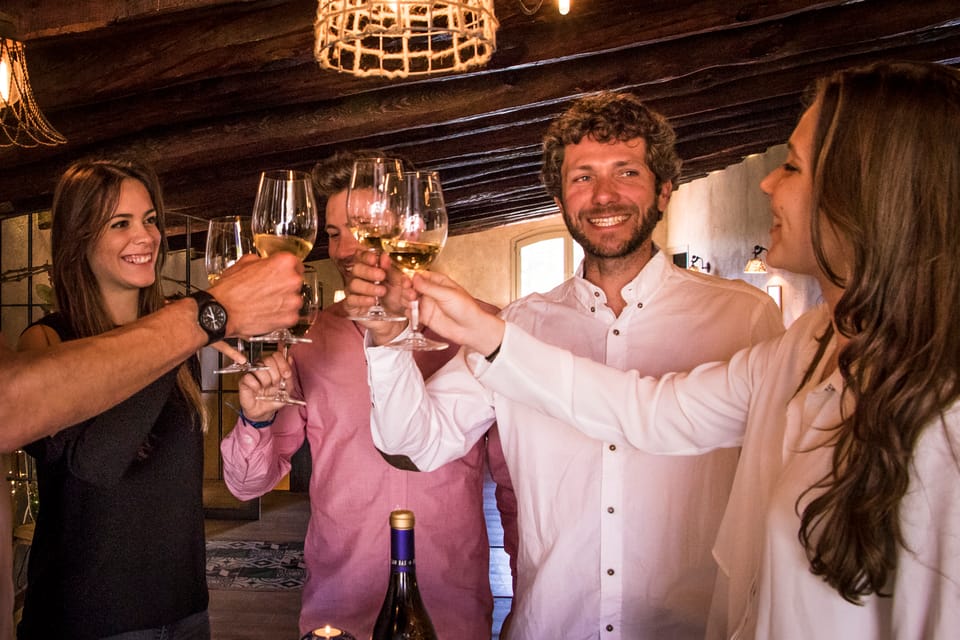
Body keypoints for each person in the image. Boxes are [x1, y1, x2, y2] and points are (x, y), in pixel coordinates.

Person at [385, 61, 960, 639]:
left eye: (790, 165)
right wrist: (458, 337)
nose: (767, 182)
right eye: (582, 176)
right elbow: (647, 412)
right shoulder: (806, 347)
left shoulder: (763, 325)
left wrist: (491, 338)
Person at [349, 93, 784, 638]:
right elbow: (415, 444)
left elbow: (777, 491)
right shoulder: (523, 322)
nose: (604, 195)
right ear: (558, 196)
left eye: (626, 171)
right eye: (582, 177)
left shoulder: (744, 318)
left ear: (664, 189)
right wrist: (386, 339)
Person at [220, 149, 516, 639]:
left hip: (452, 609)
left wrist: (528, 595)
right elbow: (248, 485)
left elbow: (515, 485)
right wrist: (255, 423)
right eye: (333, 233)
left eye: (360, 227)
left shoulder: (480, 329)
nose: (342, 249)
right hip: (339, 610)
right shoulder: (310, 340)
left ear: (409, 230)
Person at [12, 157, 296, 640]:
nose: (145, 236)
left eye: (148, 220)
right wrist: (182, 333)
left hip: (184, 608)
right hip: (87, 618)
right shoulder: (45, 342)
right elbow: (96, 464)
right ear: (80, 238)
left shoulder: (183, 336)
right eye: (120, 223)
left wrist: (254, 418)